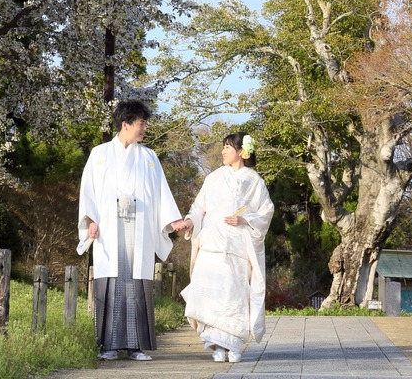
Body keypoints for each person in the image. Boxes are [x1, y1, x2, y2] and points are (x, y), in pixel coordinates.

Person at [77, 100, 186, 361]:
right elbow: (89, 192)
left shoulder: (149, 157)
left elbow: (161, 193)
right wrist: (91, 220)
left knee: (136, 283)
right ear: (126, 124)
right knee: (112, 282)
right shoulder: (100, 154)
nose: (145, 128)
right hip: (109, 227)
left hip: (139, 227)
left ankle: (136, 346)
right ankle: (109, 346)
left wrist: (172, 221)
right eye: (141, 123)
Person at [174, 132, 274, 363]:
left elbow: (266, 211)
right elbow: (199, 207)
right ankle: (216, 345)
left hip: (237, 249)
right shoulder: (214, 178)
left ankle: (234, 345)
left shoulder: (254, 181)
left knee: (233, 297)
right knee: (210, 297)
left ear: (241, 151)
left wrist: (245, 219)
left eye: (228, 147)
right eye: (223, 147)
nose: (223, 151)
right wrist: (190, 221)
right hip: (211, 247)